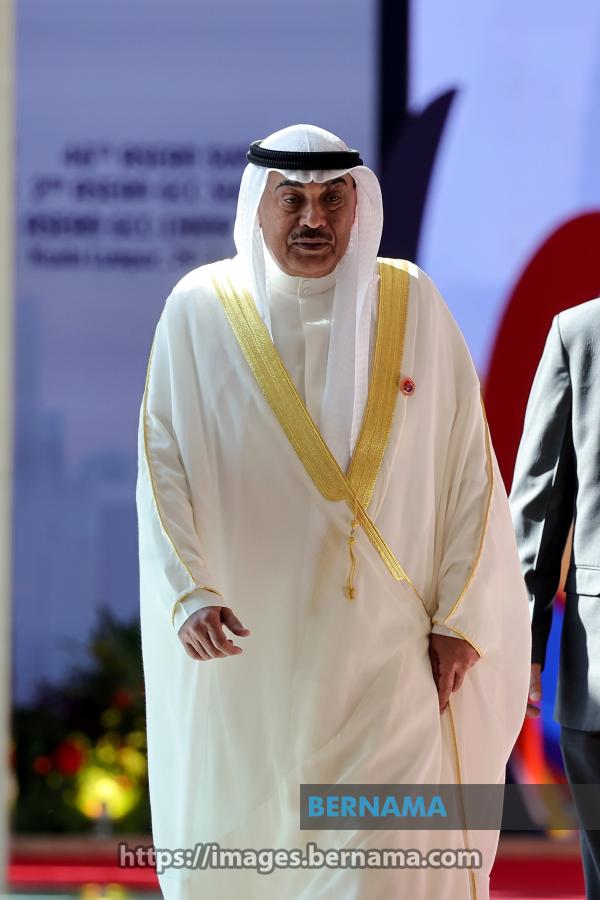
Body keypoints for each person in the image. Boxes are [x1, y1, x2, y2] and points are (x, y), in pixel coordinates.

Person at [136, 124, 530, 899]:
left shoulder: (410, 301)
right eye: (293, 200)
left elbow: (470, 472)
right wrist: (189, 591)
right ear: (258, 208)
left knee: (385, 871)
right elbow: (162, 460)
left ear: (360, 207)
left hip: (391, 661)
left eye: (332, 200)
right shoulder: (200, 310)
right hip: (254, 664)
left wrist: (463, 616)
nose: (313, 219)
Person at [510, 300, 600, 899]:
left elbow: (539, 504)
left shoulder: (583, 331)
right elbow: (542, 505)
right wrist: (524, 639)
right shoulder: (580, 333)